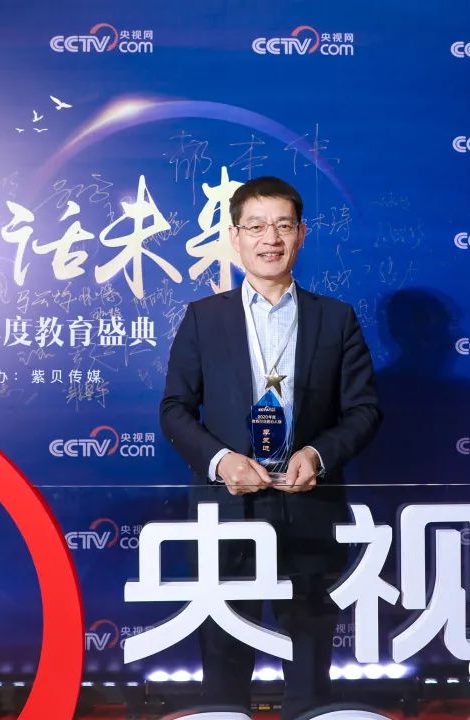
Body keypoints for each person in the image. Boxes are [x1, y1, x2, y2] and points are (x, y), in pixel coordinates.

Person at [159, 176, 381, 720]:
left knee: (309, 657)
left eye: (283, 226)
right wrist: (221, 462)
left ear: (301, 234)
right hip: (227, 509)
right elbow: (175, 409)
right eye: (256, 226)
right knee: (223, 653)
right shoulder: (203, 319)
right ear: (235, 237)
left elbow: (363, 410)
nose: (270, 239)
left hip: (310, 508)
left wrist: (317, 455)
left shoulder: (335, 318)